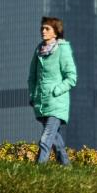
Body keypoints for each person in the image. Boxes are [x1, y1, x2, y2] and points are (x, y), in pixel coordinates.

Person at [27, 16, 77, 165]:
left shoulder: (62, 50)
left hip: (57, 102)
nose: (43, 31)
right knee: (56, 141)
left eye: (47, 28)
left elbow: (71, 77)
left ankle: (38, 168)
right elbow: (32, 77)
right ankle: (67, 167)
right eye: (42, 28)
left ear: (56, 32)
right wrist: (33, 95)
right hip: (42, 102)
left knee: (46, 138)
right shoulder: (38, 50)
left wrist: (56, 91)